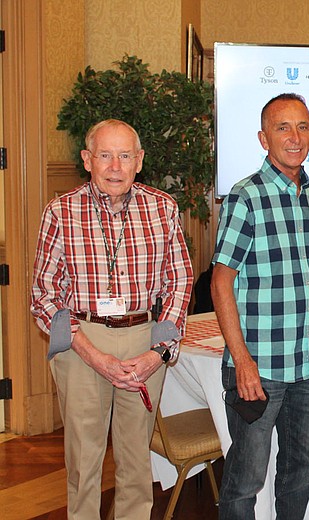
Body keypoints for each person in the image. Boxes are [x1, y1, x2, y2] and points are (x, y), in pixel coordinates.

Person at [30, 119, 194, 518]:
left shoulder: (162, 208)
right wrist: (92, 354)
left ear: (139, 161)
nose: (115, 166)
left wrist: (159, 351)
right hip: (80, 342)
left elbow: (180, 281)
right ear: (88, 160)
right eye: (105, 155)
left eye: (124, 156)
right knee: (83, 463)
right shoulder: (60, 211)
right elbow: (44, 294)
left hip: (144, 338)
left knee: (137, 463)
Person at [211, 93, 309, 520]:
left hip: (306, 367)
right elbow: (220, 283)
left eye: (303, 127)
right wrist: (243, 362)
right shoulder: (245, 197)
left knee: (301, 470)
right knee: (245, 480)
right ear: (263, 138)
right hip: (259, 369)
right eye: (283, 127)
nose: (295, 137)